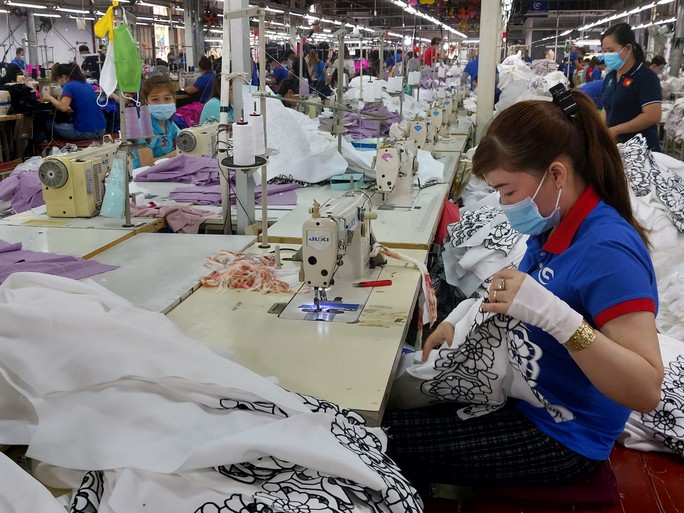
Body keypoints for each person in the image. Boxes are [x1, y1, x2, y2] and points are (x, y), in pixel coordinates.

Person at [383, 87, 662, 495]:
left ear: (557, 174)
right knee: (387, 419)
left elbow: (645, 389)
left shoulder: (607, 251)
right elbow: (519, 297)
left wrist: (559, 320)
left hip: (562, 436)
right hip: (525, 397)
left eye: (508, 191)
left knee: (381, 444)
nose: (502, 204)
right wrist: (461, 321)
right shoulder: (555, 227)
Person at [600, 23, 662, 151]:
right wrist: (601, 130)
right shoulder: (611, 76)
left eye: (611, 51)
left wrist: (615, 130)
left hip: (641, 149)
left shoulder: (645, 76)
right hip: (616, 146)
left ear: (627, 48)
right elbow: (607, 107)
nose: (606, 55)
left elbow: (653, 116)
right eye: (604, 51)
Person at [41, 62, 106, 141]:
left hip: (86, 132)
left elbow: (63, 107)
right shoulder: (87, 85)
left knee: (49, 124)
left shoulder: (69, 86)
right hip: (101, 129)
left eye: (58, 79)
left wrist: (49, 97)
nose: (58, 82)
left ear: (63, 77)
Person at [133, 75, 180, 168]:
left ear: (174, 99)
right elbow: (146, 163)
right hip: (145, 174)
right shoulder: (144, 127)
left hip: (165, 171)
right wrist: (178, 153)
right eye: (155, 99)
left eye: (167, 98)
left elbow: (183, 137)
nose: (162, 103)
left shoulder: (168, 123)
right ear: (146, 102)